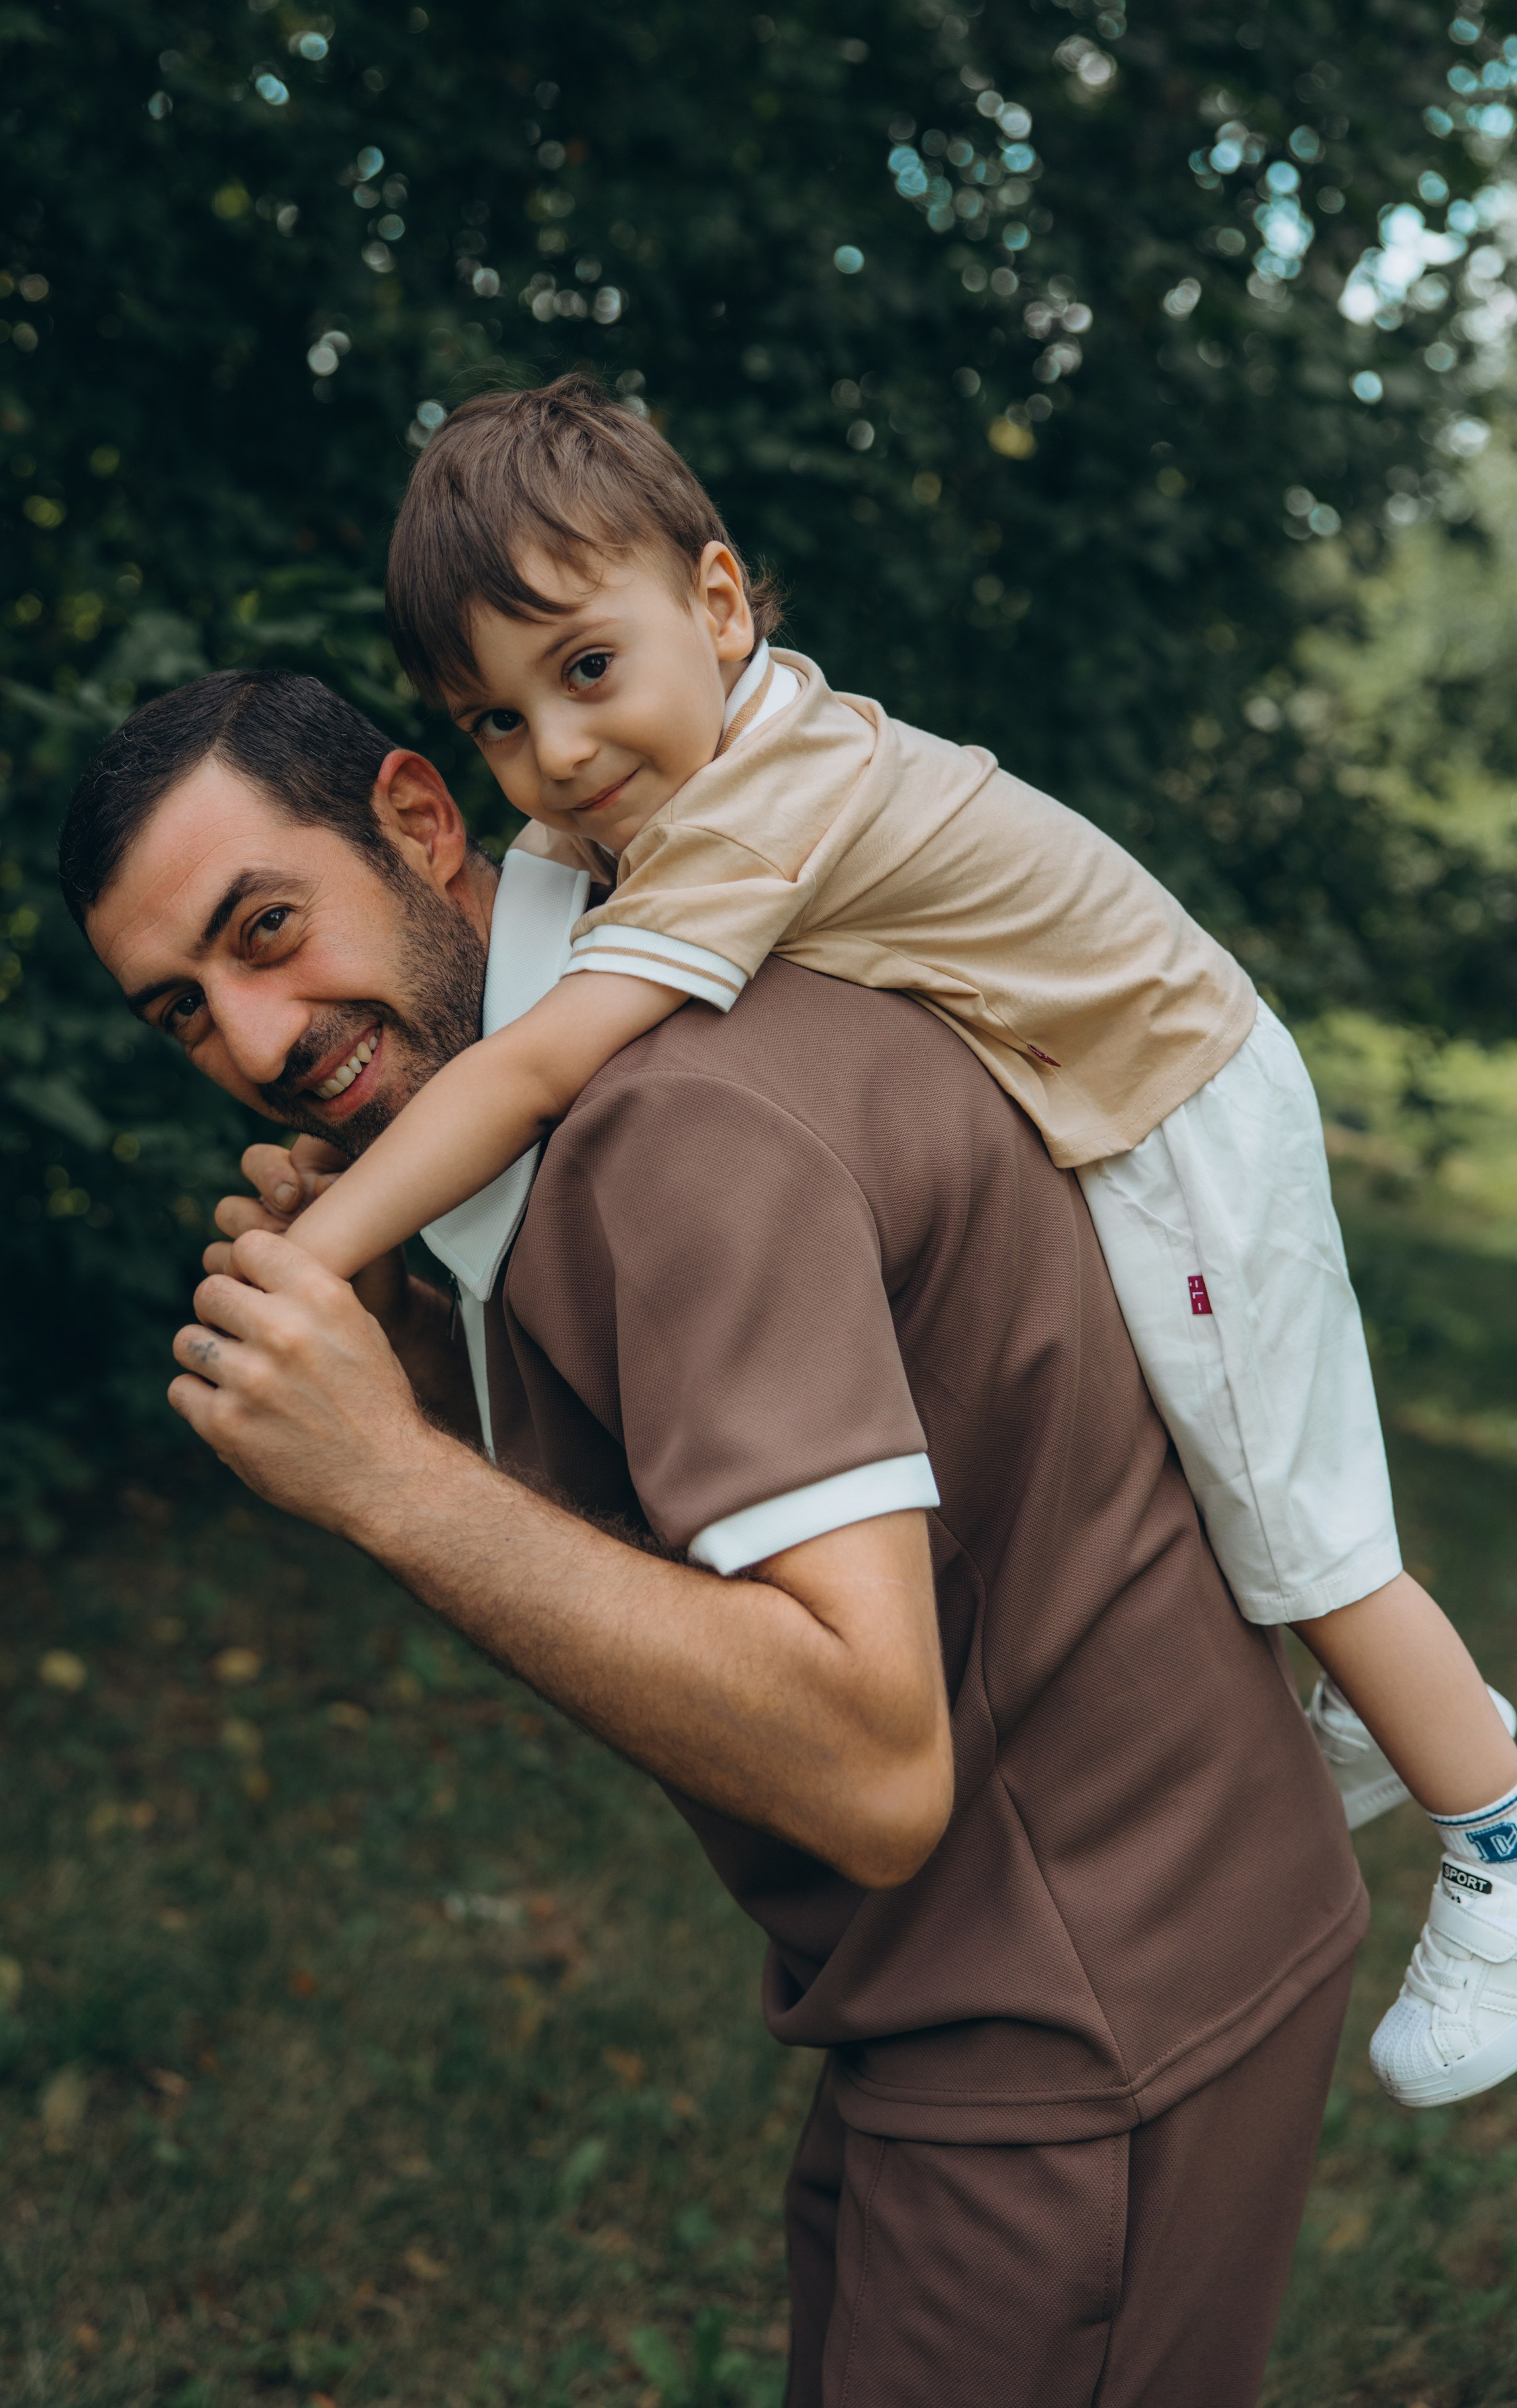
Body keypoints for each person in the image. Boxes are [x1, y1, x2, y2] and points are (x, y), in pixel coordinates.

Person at [191, 375, 1514, 2111]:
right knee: (1211, 1454)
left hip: (1176, 1096)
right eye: (498, 723)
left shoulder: (752, 811)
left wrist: (311, 1266)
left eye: (585, 671)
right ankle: (1358, 1716)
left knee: (1301, 1515)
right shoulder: (680, 781)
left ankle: (1486, 1828)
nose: (561, 759)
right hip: (1115, 1074)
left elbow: (528, 1067)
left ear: (723, 604)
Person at [61, 661, 1367, 2405]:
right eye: (182, 1011)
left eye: (268, 926)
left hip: (1090, 2022)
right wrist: (408, 1372)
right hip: (975, 1986)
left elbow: (870, 1765)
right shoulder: (559, 1069)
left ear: (420, 819)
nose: (252, 1039)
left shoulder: (672, 1126)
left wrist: (387, 1475)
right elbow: (664, 1560)